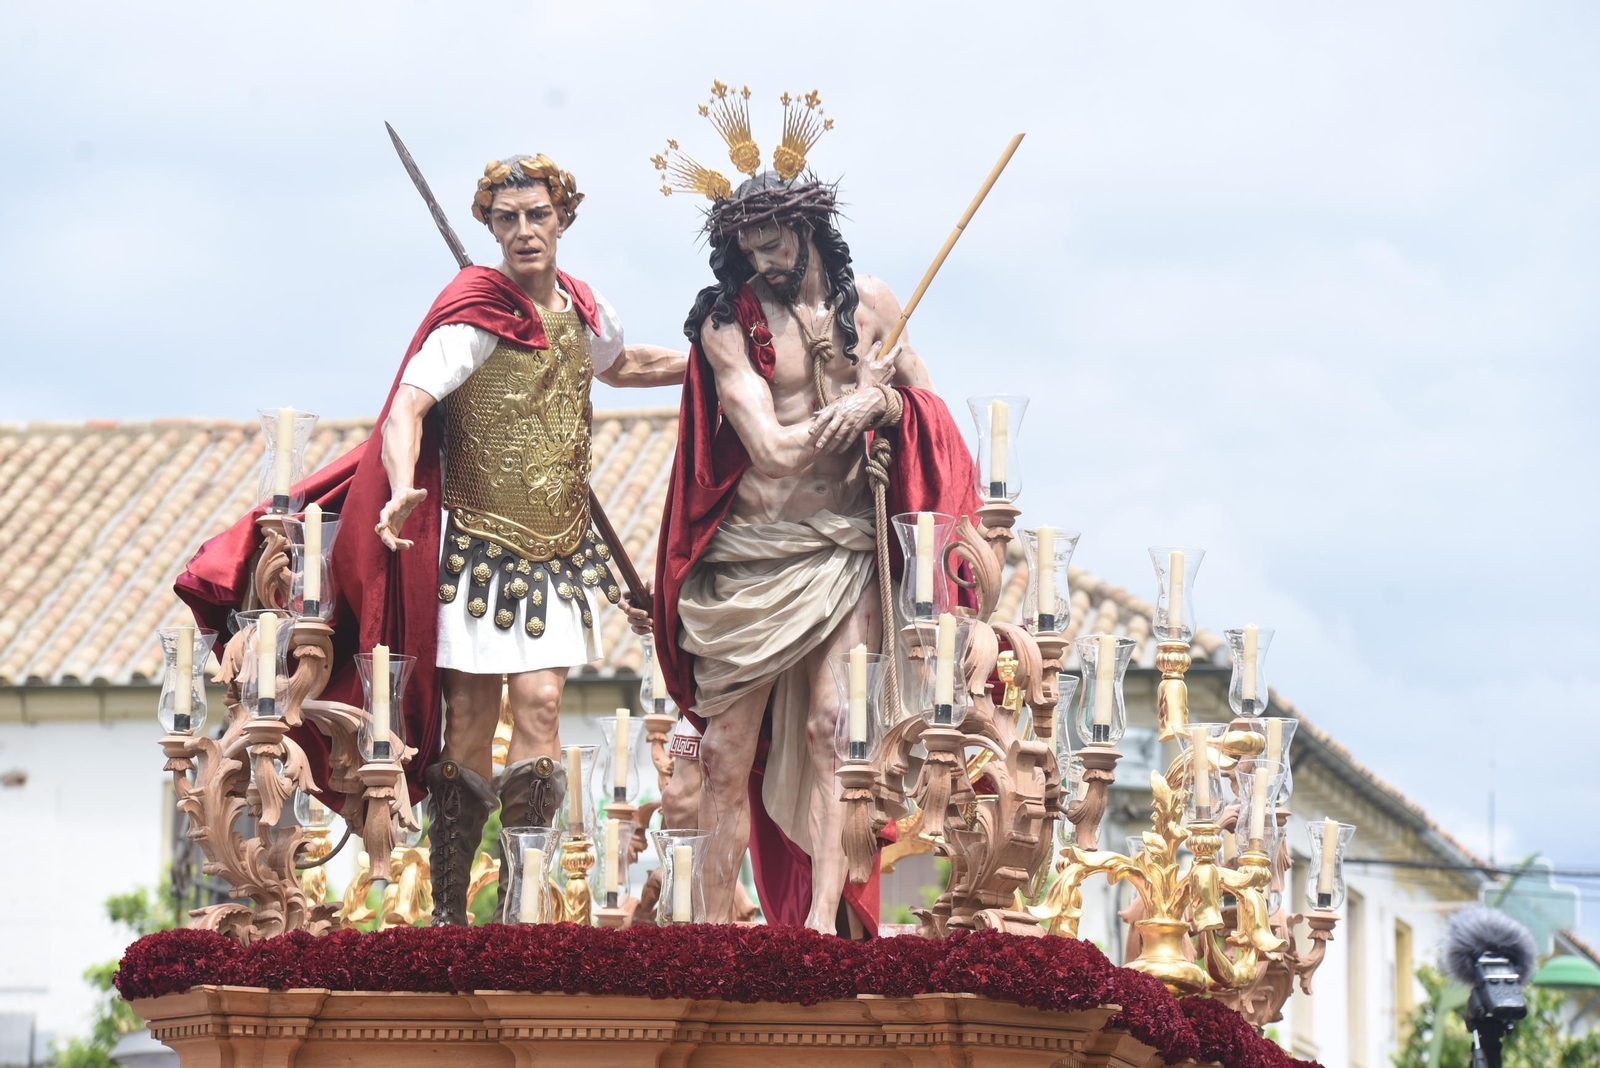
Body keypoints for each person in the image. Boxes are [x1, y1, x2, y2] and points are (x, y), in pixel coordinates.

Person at [179, 153, 685, 925]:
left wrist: (714, 363)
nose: (523, 231)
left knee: (544, 707)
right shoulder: (474, 318)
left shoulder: (585, 310)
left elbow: (627, 364)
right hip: (479, 555)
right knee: (473, 723)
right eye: (506, 218)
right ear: (490, 227)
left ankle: (524, 898)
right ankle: (452, 907)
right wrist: (404, 484)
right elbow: (410, 405)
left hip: (554, 550)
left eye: (536, 215)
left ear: (563, 220)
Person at [650, 87, 979, 935]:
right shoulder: (728, 323)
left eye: (778, 243)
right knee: (726, 755)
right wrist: (833, 420)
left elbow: (932, 415)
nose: (767, 263)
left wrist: (885, 410)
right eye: (750, 249)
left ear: (808, 229)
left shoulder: (870, 305)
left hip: (845, 547)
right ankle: (718, 932)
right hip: (753, 557)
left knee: (840, 730)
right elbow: (767, 446)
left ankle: (824, 927)